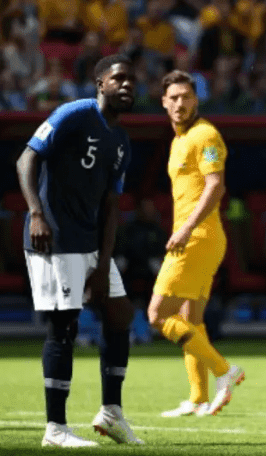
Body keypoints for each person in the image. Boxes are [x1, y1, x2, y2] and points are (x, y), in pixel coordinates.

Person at [16, 54, 142, 447]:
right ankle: (55, 428)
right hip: (55, 236)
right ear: (100, 83)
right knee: (64, 326)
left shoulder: (121, 141)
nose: (127, 85)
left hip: (90, 241)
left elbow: (111, 205)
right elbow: (26, 158)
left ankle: (111, 413)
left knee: (120, 314)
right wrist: (36, 214)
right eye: (118, 78)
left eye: (132, 80)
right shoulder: (73, 113)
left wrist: (103, 264)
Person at [147, 69, 245, 418]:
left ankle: (224, 370)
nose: (180, 103)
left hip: (197, 238)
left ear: (196, 101)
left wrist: (186, 229)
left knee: (158, 315)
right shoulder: (178, 140)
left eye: (186, 97)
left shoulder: (205, 134)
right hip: (199, 237)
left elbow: (215, 186)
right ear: (164, 102)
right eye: (174, 97)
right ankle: (198, 398)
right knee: (191, 318)